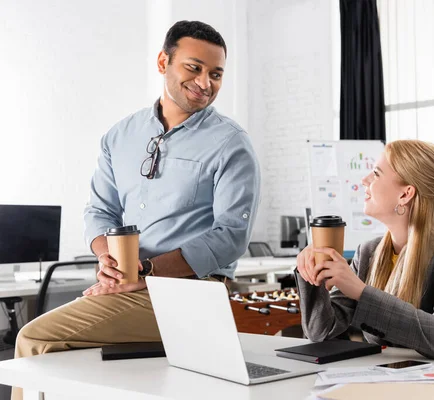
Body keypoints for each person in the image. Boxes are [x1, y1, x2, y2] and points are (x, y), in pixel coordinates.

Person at [12, 20, 260, 399]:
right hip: (129, 287)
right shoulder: (119, 136)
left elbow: (230, 237)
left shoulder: (231, 144)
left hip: (192, 296)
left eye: (216, 74)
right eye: (193, 68)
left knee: (34, 337)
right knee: (55, 354)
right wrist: (105, 258)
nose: (205, 83)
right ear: (164, 62)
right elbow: (99, 211)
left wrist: (147, 271)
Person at [296, 140, 434, 360]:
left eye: (376, 173)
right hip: (382, 378)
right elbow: (322, 332)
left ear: (405, 194)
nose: (364, 180)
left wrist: (360, 292)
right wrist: (311, 272)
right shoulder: (368, 252)